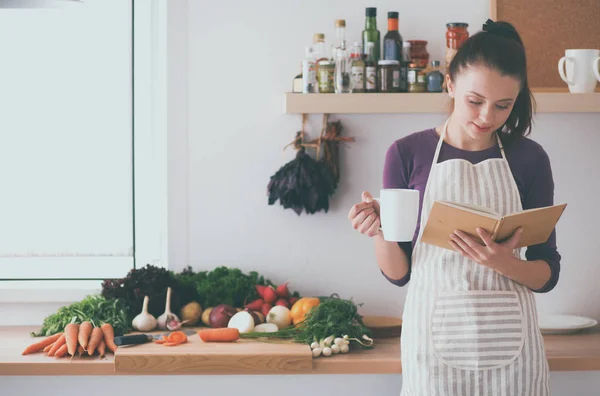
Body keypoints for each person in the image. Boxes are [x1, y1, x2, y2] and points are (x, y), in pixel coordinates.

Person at [348, 19, 560, 395]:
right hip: (433, 354)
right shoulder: (407, 153)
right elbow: (400, 273)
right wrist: (380, 231)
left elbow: (547, 273)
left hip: (514, 360)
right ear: (450, 83)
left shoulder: (530, 159)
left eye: (502, 106)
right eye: (475, 101)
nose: (486, 117)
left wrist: (503, 263)